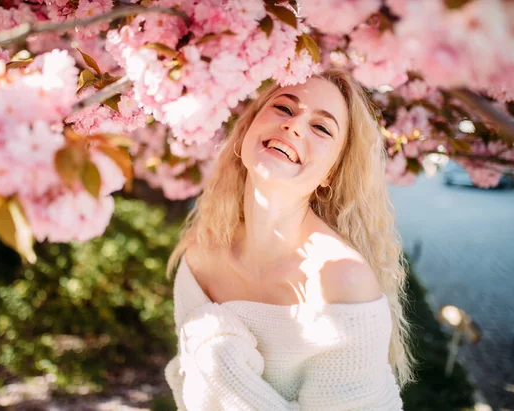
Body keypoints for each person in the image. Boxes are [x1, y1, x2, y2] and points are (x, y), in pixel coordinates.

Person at [163, 68, 416, 410]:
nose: (294, 126)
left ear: (331, 172)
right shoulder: (201, 255)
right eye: (283, 108)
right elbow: (186, 383)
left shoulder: (342, 282)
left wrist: (220, 365)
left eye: (322, 127)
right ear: (247, 129)